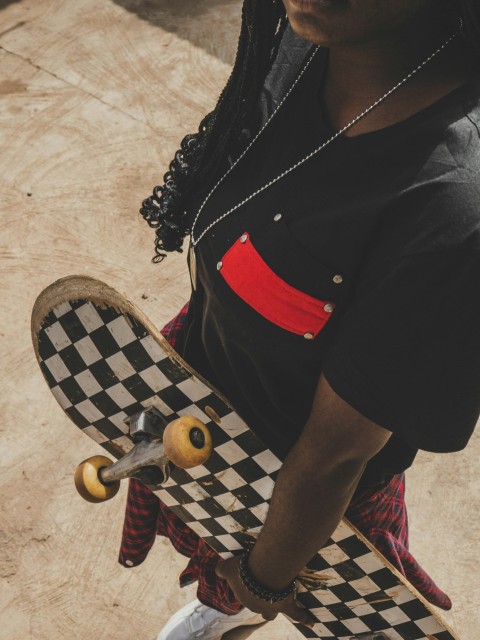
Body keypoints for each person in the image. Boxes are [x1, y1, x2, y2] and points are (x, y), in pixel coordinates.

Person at [120, 1, 480, 638]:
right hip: (214, 407)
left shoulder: (453, 207)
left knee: (301, 586)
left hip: (309, 491)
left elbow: (334, 455)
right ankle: (224, 603)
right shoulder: (297, 48)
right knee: (222, 559)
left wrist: (267, 574)